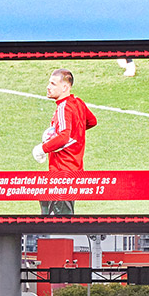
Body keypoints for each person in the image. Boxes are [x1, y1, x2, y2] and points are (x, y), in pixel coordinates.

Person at [32, 68, 96, 216]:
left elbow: (63, 137)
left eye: (53, 84)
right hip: (75, 169)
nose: (48, 87)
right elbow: (92, 121)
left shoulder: (63, 107)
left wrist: (42, 149)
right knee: (52, 205)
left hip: (61, 173)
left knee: (60, 222)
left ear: (65, 87)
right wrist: (75, 135)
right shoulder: (78, 103)